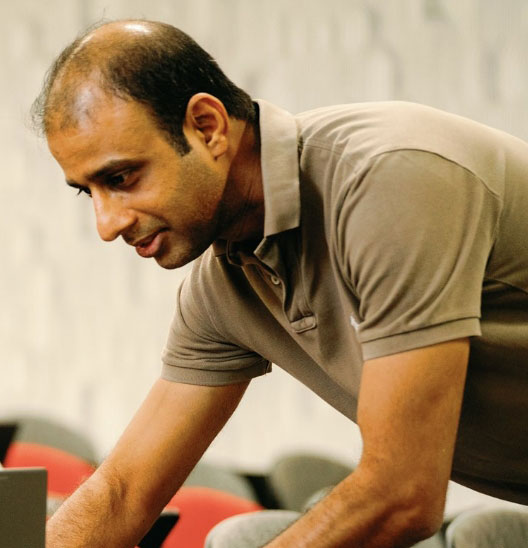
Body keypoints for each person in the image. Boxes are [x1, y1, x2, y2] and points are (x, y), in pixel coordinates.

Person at [33, 19, 528, 548]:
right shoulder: (222, 287)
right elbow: (124, 494)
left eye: (121, 178)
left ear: (207, 126)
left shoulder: (386, 179)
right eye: (89, 193)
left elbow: (401, 492)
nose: (107, 225)